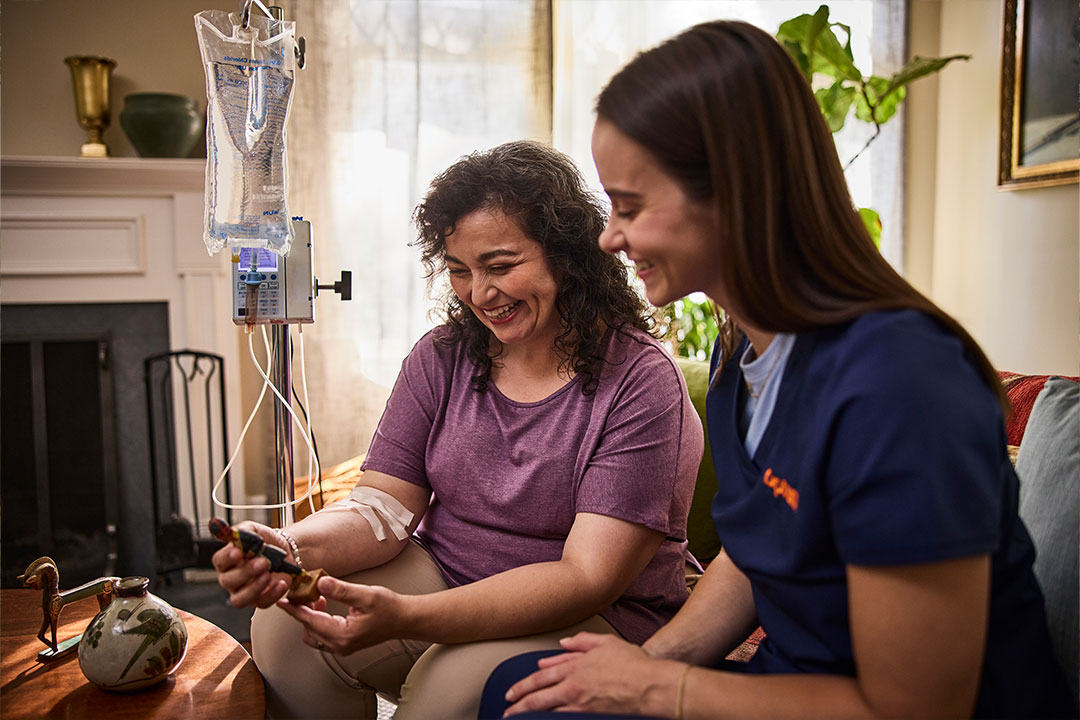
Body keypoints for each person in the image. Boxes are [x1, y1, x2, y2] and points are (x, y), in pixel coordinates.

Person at [489, 21, 1076, 720]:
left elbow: (918, 707)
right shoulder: (743, 350)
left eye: (631, 207)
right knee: (524, 693)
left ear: (736, 191)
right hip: (785, 680)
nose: (609, 238)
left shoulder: (900, 387)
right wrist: (652, 664)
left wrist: (656, 690)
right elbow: (758, 546)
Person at [212, 140, 704, 720]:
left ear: (568, 256)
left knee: (446, 687)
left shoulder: (643, 381)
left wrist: (407, 616)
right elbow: (383, 508)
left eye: (499, 266)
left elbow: (586, 577)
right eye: (459, 270)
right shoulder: (441, 356)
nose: (479, 293)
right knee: (283, 626)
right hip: (447, 572)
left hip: (596, 612)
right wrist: (290, 546)